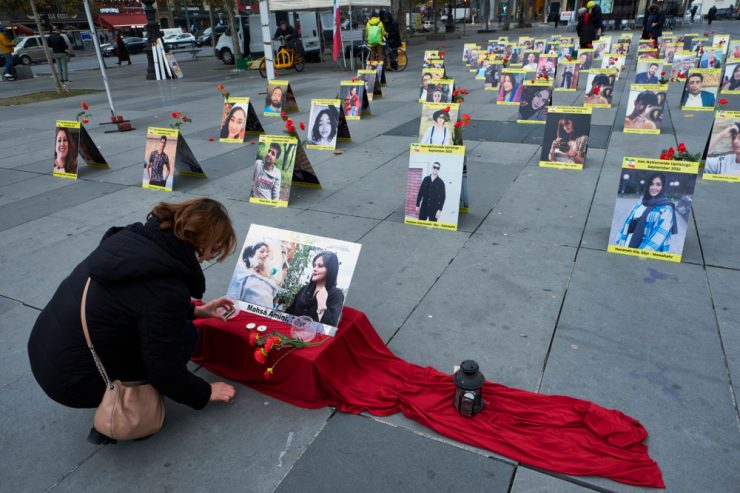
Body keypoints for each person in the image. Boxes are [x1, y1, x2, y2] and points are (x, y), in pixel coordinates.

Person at [28, 198, 238, 444]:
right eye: (215, 249)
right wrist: (205, 392)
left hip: (45, 352)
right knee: (185, 336)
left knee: (171, 329)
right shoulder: (166, 286)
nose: (210, 257)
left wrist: (195, 311)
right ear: (202, 242)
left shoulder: (132, 241)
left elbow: (134, 301)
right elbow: (164, 369)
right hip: (72, 379)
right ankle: (121, 411)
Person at [615, 173, 677, 252]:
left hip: (647, 249)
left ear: (663, 187)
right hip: (628, 242)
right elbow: (627, 222)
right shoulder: (642, 201)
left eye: (658, 185)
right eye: (651, 184)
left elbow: (658, 237)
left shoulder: (667, 208)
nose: (654, 187)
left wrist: (640, 252)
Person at [286, 251, 344, 327]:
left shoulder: (336, 294)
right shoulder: (304, 289)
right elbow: (289, 312)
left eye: (320, 266)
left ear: (330, 270)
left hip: (316, 336)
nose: (314, 269)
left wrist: (322, 305)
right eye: (314, 265)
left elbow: (330, 326)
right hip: (292, 331)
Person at [227, 242, 278, 307]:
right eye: (262, 251)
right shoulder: (243, 275)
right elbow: (232, 299)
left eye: (267, 252)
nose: (266, 254)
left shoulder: (270, 280)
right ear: (252, 254)